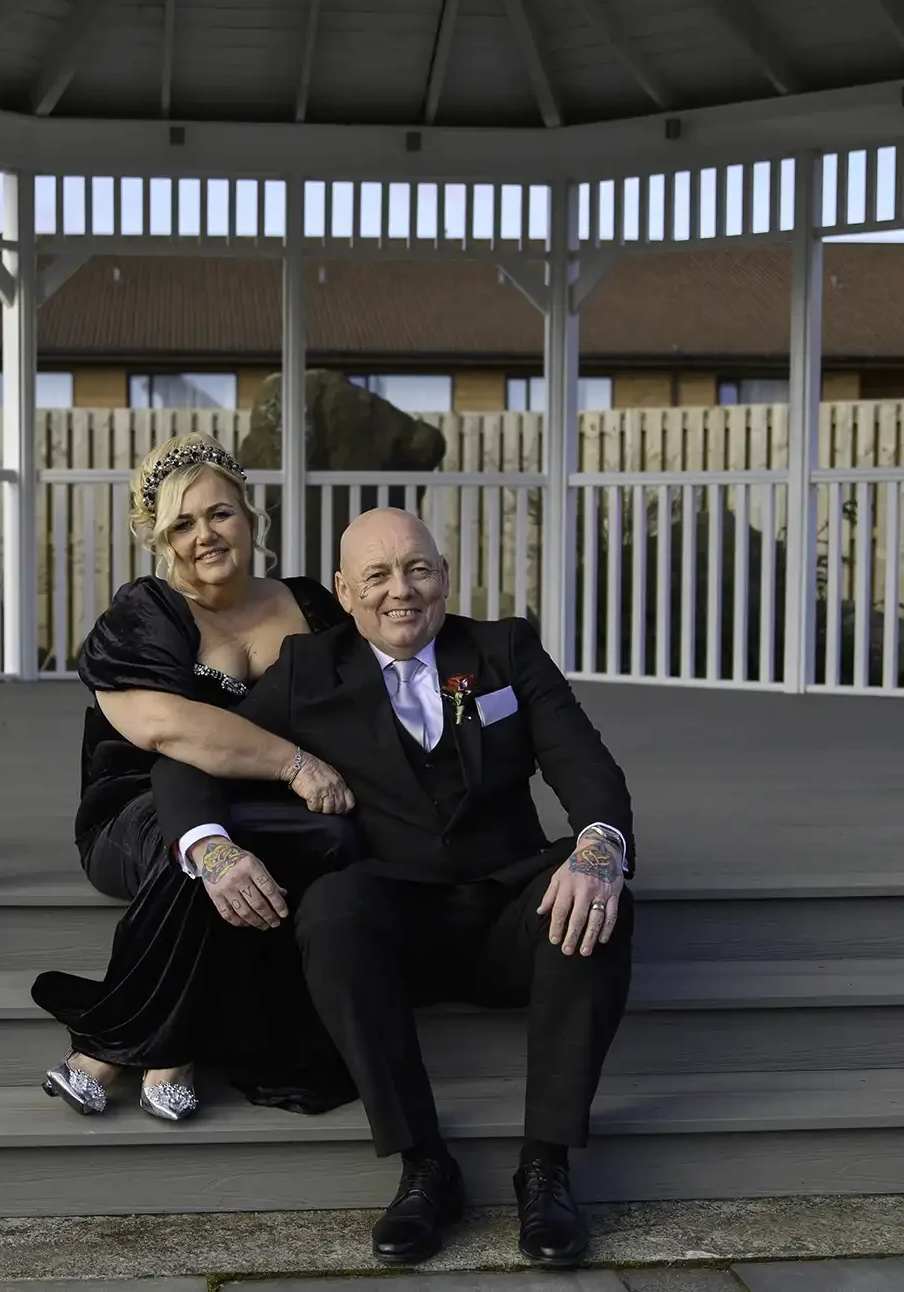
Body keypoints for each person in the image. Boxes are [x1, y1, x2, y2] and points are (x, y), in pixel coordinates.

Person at [152, 506, 636, 1269]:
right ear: (345, 591)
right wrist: (209, 848)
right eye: (376, 575)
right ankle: (424, 1166)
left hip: (511, 913)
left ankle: (546, 1169)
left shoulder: (505, 648)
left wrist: (600, 847)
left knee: (596, 891)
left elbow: (586, 766)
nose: (399, 591)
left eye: (417, 569)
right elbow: (189, 757)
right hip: (392, 928)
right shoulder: (310, 669)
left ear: (444, 577)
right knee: (332, 908)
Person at [31, 433, 361, 1123]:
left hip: (279, 812)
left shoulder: (313, 607)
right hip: (137, 812)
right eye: (182, 524)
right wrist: (294, 762)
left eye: (220, 514)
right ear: (161, 541)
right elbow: (164, 729)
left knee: (297, 849)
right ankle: (156, 1047)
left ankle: (112, 1047)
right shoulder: (144, 616)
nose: (204, 535)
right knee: (202, 855)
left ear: (252, 517)